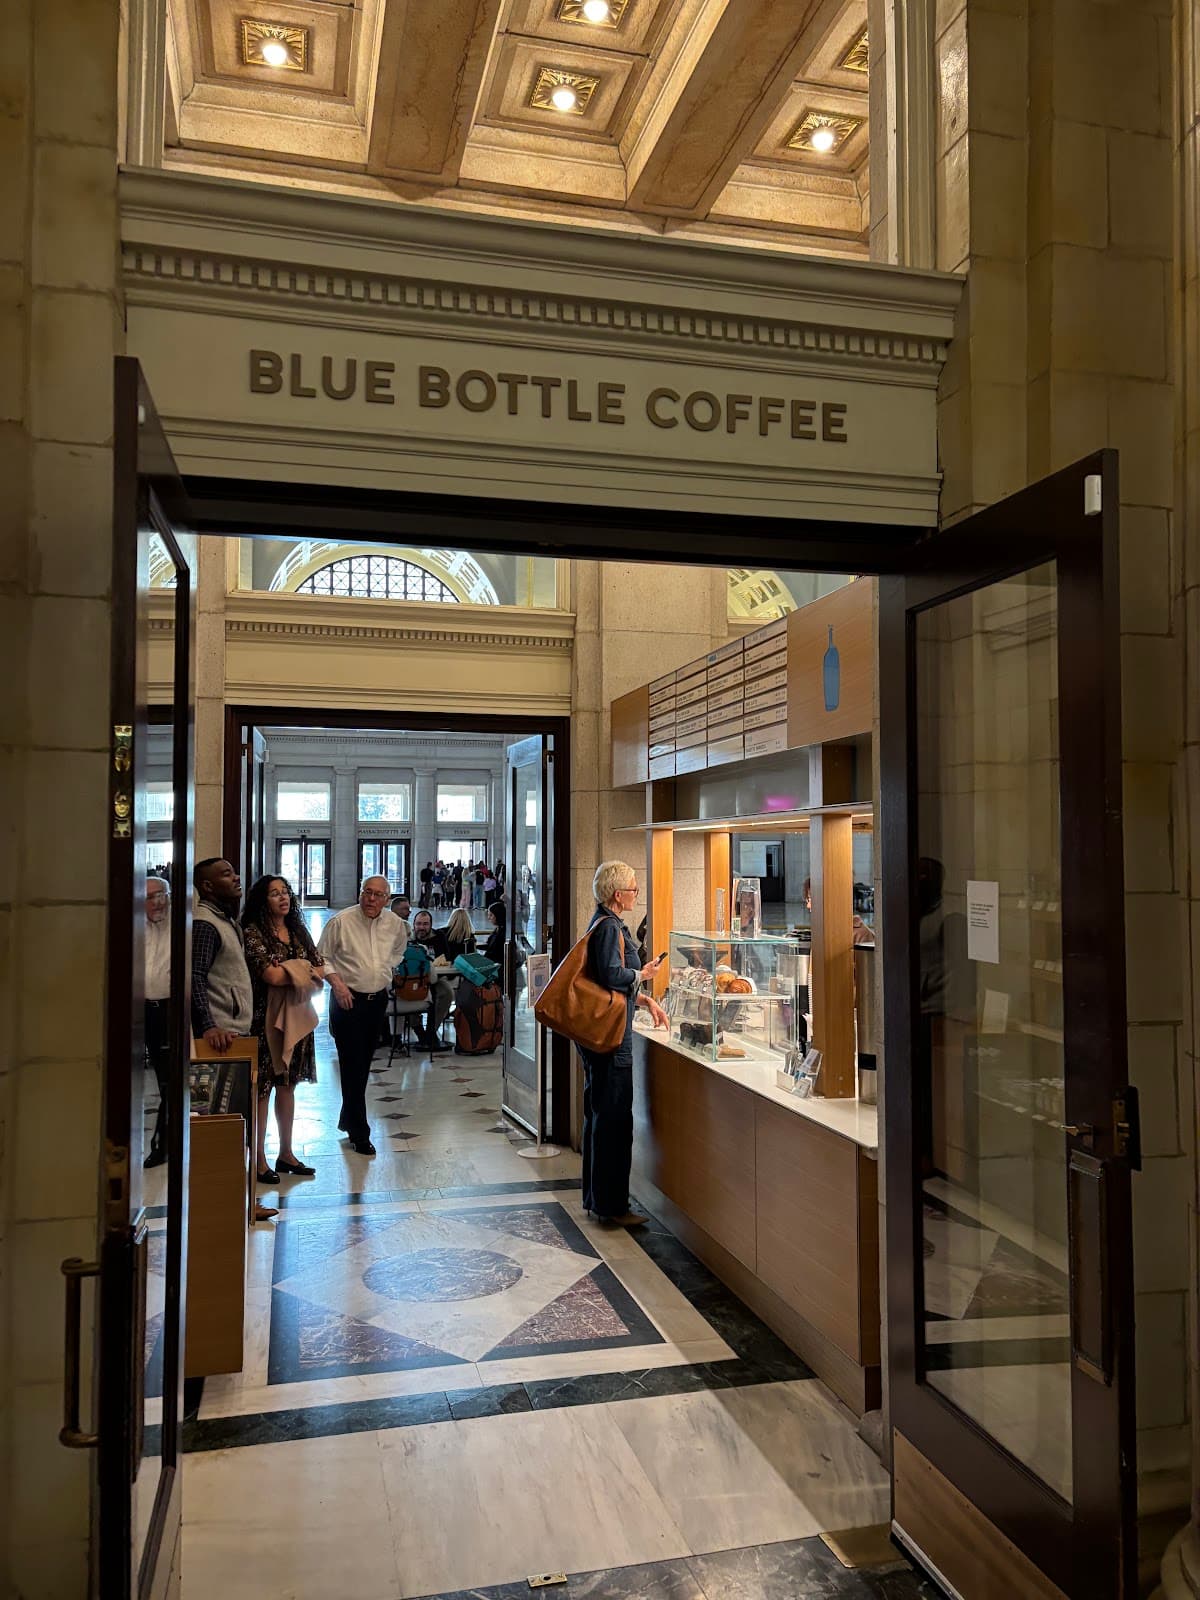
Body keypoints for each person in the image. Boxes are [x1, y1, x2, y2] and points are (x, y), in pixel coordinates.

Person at [578, 861, 668, 1227]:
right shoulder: (608, 927)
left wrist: (642, 999)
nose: (636, 894)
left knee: (603, 1117)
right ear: (618, 894)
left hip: (606, 1036)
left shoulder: (605, 923)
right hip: (611, 1041)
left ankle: (599, 1199)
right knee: (613, 1121)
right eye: (633, 889)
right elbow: (612, 975)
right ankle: (611, 1206)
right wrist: (642, 974)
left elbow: (609, 981)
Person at [191, 857, 277, 1220]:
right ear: (208, 886)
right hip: (220, 1039)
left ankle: (241, 1204)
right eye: (226, 874)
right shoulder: (205, 923)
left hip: (235, 1035)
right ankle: (222, 1209)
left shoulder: (226, 920)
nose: (236, 877)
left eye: (234, 871)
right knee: (221, 1126)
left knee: (237, 1124)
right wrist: (208, 1025)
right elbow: (195, 977)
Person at [241, 875, 325, 1184]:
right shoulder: (252, 932)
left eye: (285, 892)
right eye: (275, 893)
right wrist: (301, 970)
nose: (283, 898)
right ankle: (259, 1160)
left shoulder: (298, 930)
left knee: (288, 1086)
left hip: (296, 1017)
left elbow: (320, 968)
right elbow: (270, 976)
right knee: (262, 1089)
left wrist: (290, 968)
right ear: (263, 900)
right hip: (264, 1021)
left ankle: (286, 1153)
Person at [317, 876, 408, 1154]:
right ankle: (359, 1132)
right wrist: (338, 984)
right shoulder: (341, 922)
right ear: (360, 893)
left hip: (376, 1001)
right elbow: (320, 957)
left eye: (378, 895)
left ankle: (348, 1118)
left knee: (363, 1063)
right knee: (351, 1064)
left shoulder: (395, 924)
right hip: (347, 1000)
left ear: (387, 899)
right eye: (367, 892)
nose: (371, 899)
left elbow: (399, 951)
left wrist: (384, 970)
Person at [143, 876, 172, 1169]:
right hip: (141, 1011)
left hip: (169, 1010)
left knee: (168, 1079)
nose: (157, 902)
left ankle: (162, 1144)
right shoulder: (134, 927)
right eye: (150, 897)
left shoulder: (181, 927)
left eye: (161, 894)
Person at [409, 909, 454, 1051]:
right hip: (412, 981)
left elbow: (447, 957)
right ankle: (419, 1031)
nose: (421, 927)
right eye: (418, 924)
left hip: (436, 978)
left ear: (431, 925)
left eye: (425, 924)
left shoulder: (439, 937)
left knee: (447, 992)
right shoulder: (408, 938)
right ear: (414, 925)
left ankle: (431, 1031)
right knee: (406, 995)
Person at [482, 898, 506, 977]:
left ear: (498, 915)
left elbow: (496, 952)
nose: (488, 918)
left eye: (491, 915)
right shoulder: (498, 929)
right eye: (488, 915)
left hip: (496, 968)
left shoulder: (502, 933)